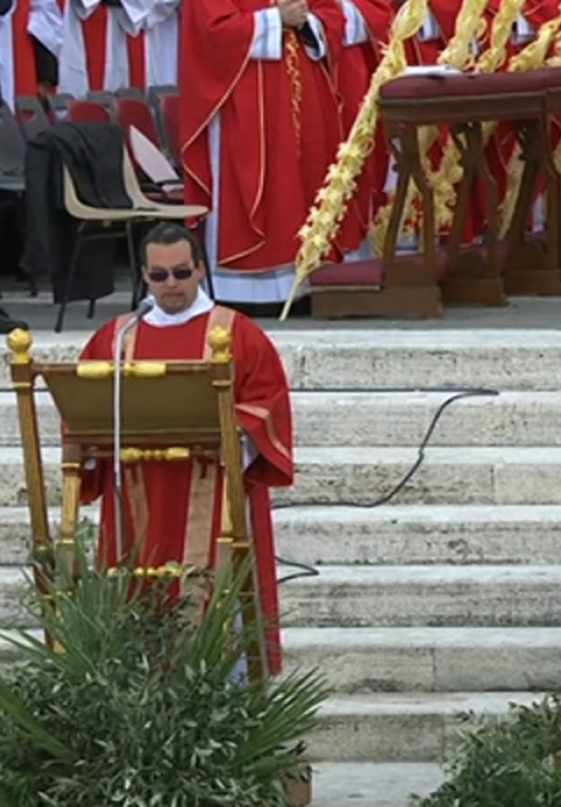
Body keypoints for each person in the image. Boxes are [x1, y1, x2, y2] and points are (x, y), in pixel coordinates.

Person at [78, 223, 295, 675]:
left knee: (213, 587)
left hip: (214, 488)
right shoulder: (117, 337)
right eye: (159, 276)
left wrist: (229, 436)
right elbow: (82, 408)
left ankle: (226, 684)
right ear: (144, 276)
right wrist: (91, 445)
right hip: (137, 491)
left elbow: (267, 405)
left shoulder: (237, 333)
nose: (171, 284)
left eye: (181, 272)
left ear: (200, 270)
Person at [179, 0, 345, 308]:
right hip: (245, 92)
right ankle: (244, 291)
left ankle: (304, 282)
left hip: (303, 86)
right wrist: (276, 19)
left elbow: (331, 14)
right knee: (255, 179)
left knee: (304, 181)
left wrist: (307, 21)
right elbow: (212, 31)